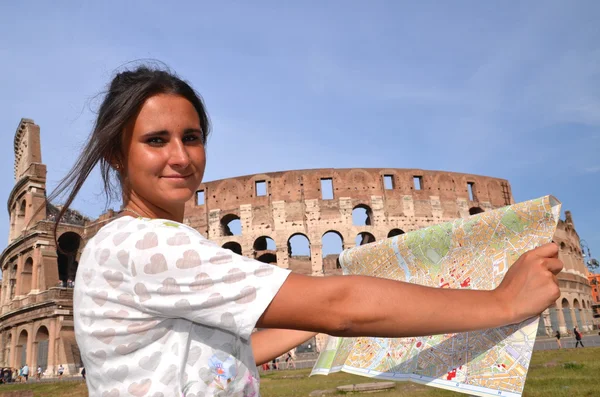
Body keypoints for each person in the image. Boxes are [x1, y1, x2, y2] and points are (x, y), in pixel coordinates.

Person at [46, 65, 563, 396]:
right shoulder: (148, 244)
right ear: (118, 153)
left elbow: (227, 358)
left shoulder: (117, 245)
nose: (181, 157)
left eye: (192, 137)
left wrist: (304, 317)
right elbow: (339, 306)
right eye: (156, 140)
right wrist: (501, 302)